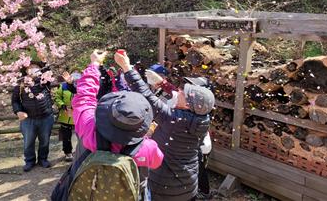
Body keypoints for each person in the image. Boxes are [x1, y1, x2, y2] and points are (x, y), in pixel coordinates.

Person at [53, 50, 163, 200]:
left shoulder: (90, 130)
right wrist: (145, 136)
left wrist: (94, 64)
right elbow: (157, 161)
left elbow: (84, 99)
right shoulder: (148, 148)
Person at [115, 52, 214, 201]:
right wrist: (163, 84)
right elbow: (173, 96)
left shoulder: (175, 120)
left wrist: (127, 68)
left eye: (183, 93)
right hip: (188, 186)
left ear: (188, 105)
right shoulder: (202, 118)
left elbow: (148, 97)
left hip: (165, 188)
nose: (179, 91)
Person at [12, 60, 54, 172]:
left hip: (46, 117)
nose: (33, 69)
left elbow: (48, 71)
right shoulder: (20, 84)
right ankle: (29, 161)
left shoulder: (45, 81)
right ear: (25, 70)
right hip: (28, 119)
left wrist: (44, 61)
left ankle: (43, 159)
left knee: (45, 140)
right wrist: (18, 111)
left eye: (36, 67)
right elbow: (15, 101)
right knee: (28, 141)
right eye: (30, 67)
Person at [54, 71, 81, 162]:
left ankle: (81, 152)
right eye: (73, 74)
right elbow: (57, 97)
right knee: (66, 136)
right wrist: (63, 106)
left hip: (79, 115)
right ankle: (68, 153)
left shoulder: (83, 86)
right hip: (66, 114)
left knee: (82, 135)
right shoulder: (63, 86)